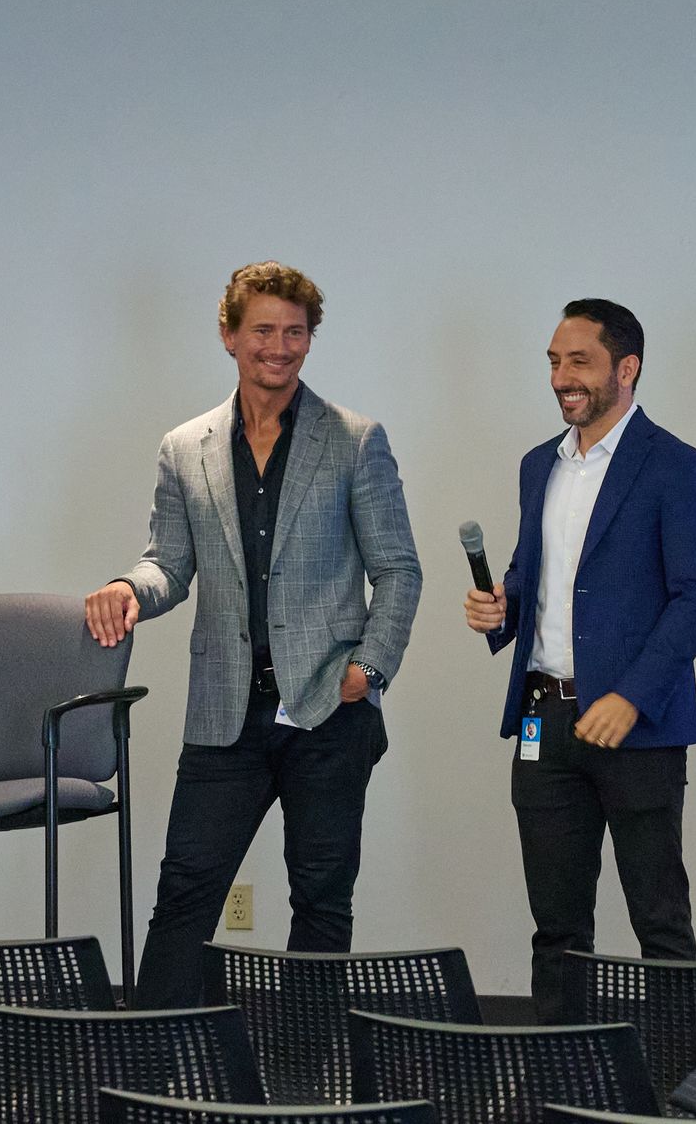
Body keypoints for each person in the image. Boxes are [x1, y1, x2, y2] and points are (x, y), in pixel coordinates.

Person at [84, 261, 422, 1008]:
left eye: (295, 332)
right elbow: (168, 565)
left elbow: (399, 569)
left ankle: (304, 1080)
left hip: (330, 713)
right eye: (264, 330)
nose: (280, 346)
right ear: (230, 335)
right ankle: (148, 1070)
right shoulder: (185, 447)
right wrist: (124, 589)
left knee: (322, 903)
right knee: (184, 893)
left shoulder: (355, 441)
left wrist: (370, 669)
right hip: (224, 714)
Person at [463, 298, 696, 1023]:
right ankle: (560, 1076)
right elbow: (533, 573)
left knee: (660, 924)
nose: (561, 377)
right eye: (553, 361)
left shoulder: (675, 466)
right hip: (544, 719)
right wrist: (502, 608)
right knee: (557, 927)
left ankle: (682, 1085)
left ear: (626, 368)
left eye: (578, 361)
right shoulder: (537, 466)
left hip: (635, 727)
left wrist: (633, 695)